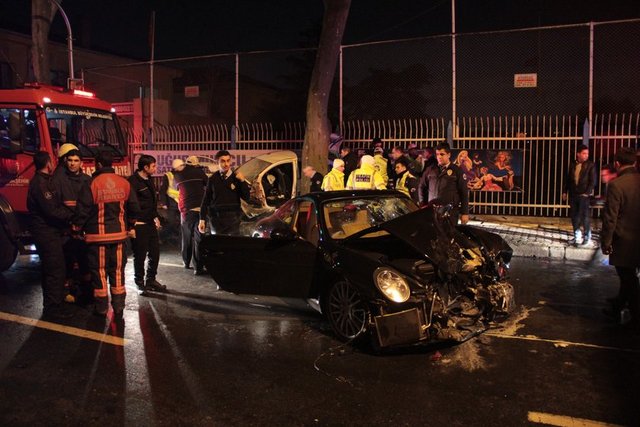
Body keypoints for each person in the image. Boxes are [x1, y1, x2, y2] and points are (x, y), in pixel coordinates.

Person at [73, 151, 139, 318]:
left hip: (97, 238)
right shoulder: (124, 183)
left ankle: (102, 308)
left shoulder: (91, 184)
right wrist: (129, 225)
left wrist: (77, 228)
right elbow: (134, 208)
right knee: (117, 271)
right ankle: (119, 306)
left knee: (99, 272)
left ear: (98, 164)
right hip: (119, 236)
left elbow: (82, 211)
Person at [27, 151, 76, 319]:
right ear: (48, 163)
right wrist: (71, 215)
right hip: (45, 232)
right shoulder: (40, 184)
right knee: (55, 269)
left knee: (51, 268)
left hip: (49, 231)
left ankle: (53, 304)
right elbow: (52, 210)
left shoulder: (44, 181)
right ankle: (53, 308)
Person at [600, 147, 640, 330]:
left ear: (617, 163)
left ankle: (636, 317)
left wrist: (606, 242)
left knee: (628, 278)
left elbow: (611, 218)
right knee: (629, 276)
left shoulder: (617, 185)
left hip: (625, 240)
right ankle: (617, 306)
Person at [51, 146, 92, 305]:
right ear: (65, 161)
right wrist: (69, 223)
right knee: (67, 262)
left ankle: (87, 293)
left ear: (81, 163)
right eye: (70, 160)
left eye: (76, 161)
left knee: (85, 263)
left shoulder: (88, 180)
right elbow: (55, 205)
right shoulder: (59, 181)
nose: (73, 163)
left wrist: (82, 224)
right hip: (66, 228)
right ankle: (68, 291)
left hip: (83, 228)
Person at [128, 154, 167, 294]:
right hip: (139, 224)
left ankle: (151, 280)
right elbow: (130, 205)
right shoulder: (132, 182)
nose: (155, 168)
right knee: (140, 255)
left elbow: (152, 202)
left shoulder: (149, 180)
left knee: (154, 253)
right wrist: (131, 225)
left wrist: (155, 216)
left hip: (150, 223)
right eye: (153, 166)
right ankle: (139, 282)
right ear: (145, 167)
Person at [198, 150, 251, 239]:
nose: (226, 164)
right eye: (223, 161)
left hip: (233, 220)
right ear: (217, 162)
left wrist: (242, 181)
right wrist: (202, 219)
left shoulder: (236, 178)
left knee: (232, 245)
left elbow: (247, 197)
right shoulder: (212, 179)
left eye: (228, 161)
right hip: (216, 221)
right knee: (218, 245)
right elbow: (206, 200)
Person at [418, 142, 469, 225]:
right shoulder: (430, 169)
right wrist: (422, 204)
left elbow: (463, 192)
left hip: (450, 212)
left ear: (449, 155)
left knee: (449, 232)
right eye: (437, 154)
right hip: (432, 211)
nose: (439, 157)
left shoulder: (456, 171)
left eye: (442, 154)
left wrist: (465, 213)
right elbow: (421, 186)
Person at [174, 155, 208, 274]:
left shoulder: (178, 175)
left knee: (186, 237)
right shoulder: (200, 172)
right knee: (198, 239)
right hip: (200, 210)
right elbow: (208, 185)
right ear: (196, 164)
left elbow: (177, 189)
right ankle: (198, 267)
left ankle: (186, 261)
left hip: (186, 210)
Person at [562, 144, 595, 245]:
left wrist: (587, 193)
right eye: (584, 153)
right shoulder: (573, 164)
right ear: (578, 154)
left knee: (585, 217)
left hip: (584, 195)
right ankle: (577, 237)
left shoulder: (590, 165)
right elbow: (568, 179)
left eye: (587, 154)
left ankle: (587, 238)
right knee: (574, 217)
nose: (586, 155)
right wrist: (565, 191)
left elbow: (592, 181)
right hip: (573, 194)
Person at [159, 158, 183, 245]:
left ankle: (179, 241)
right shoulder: (168, 175)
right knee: (171, 223)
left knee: (182, 223)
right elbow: (163, 190)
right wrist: (164, 202)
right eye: (181, 166)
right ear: (176, 167)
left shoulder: (184, 175)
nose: (183, 167)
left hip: (182, 202)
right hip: (171, 202)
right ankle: (161, 237)